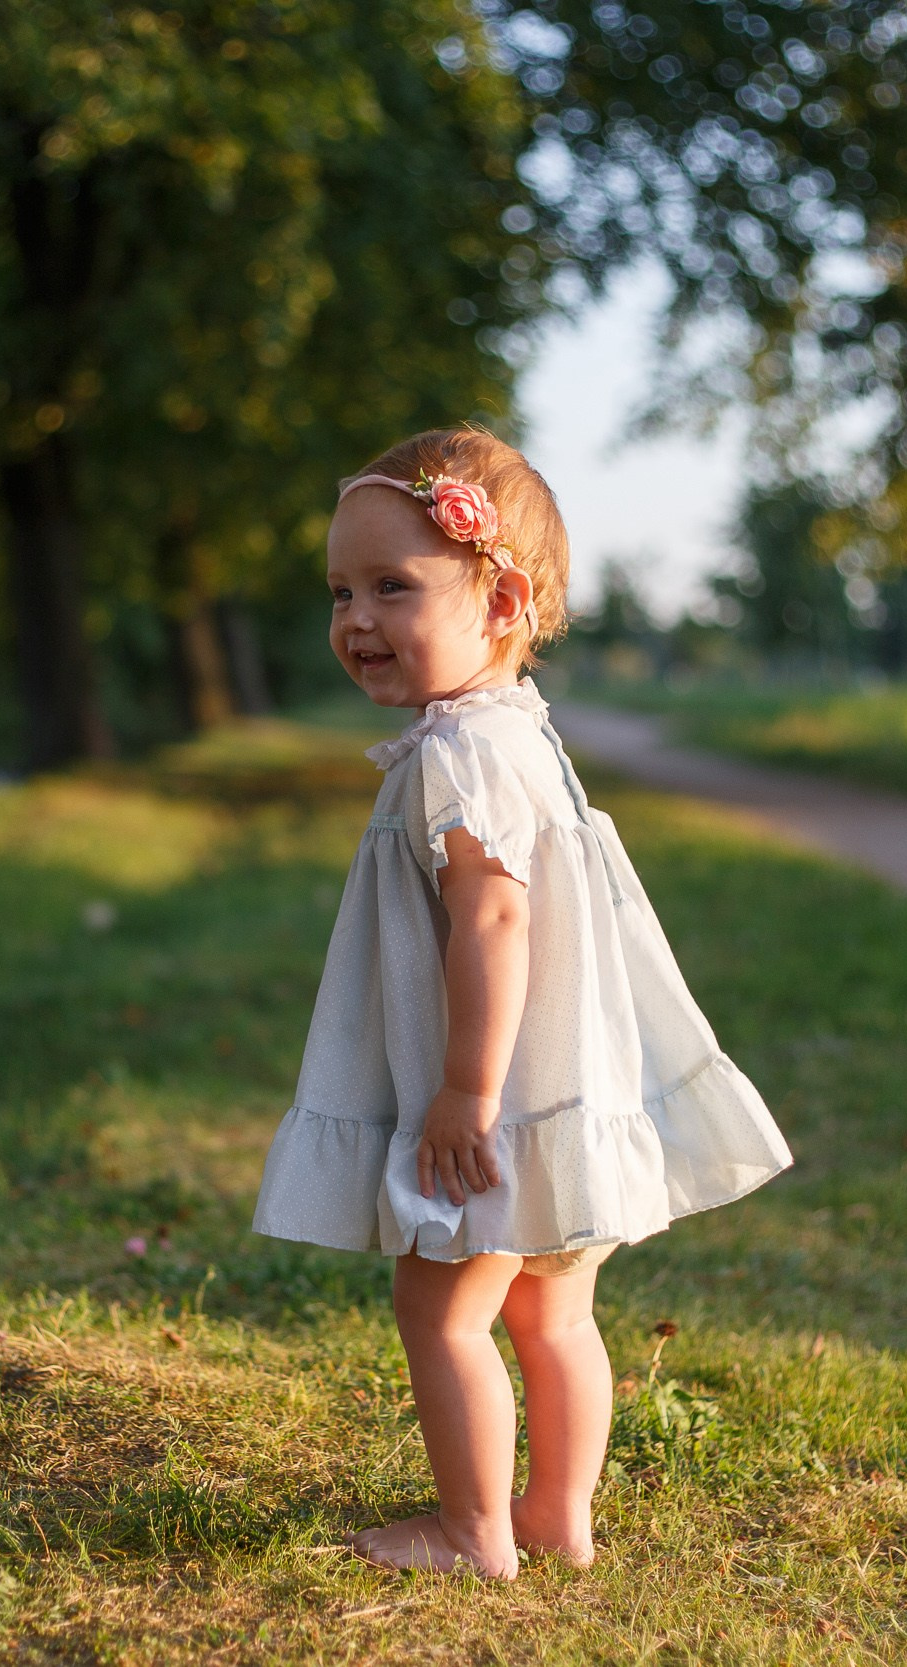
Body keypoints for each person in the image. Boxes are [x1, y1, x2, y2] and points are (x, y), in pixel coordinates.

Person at [249, 427, 793, 1578]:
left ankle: (472, 1529)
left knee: (443, 1312)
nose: (355, 618)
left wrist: (463, 1091)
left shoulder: (458, 757)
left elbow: (494, 920)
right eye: (340, 589)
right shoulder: (517, 732)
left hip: (496, 1097)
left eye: (393, 585)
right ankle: (557, 1516)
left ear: (500, 598)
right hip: (564, 1088)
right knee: (552, 1312)